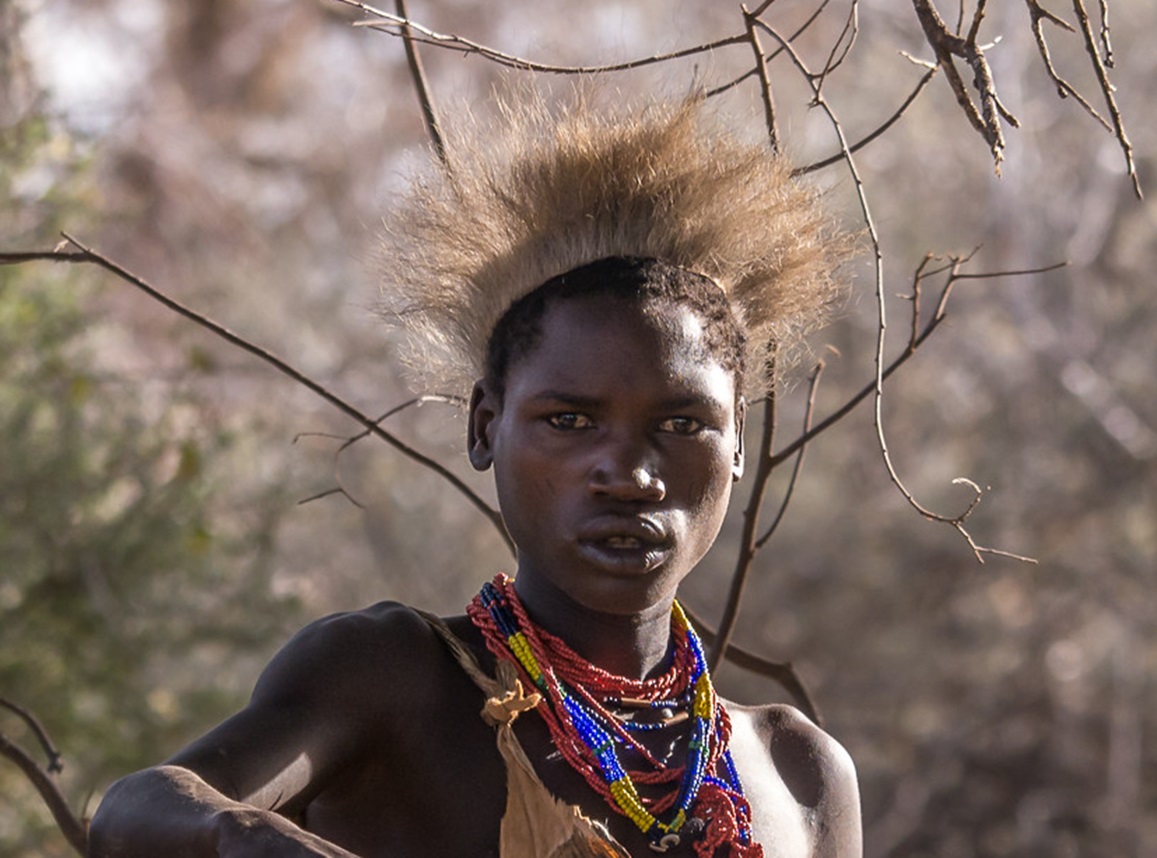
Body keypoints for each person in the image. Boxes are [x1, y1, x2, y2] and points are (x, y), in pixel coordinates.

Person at [87, 91, 862, 858]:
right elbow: (136, 806)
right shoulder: (396, 679)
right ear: (485, 424)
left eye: (680, 425)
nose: (628, 475)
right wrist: (250, 835)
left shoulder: (798, 773)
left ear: (736, 443)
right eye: (569, 421)